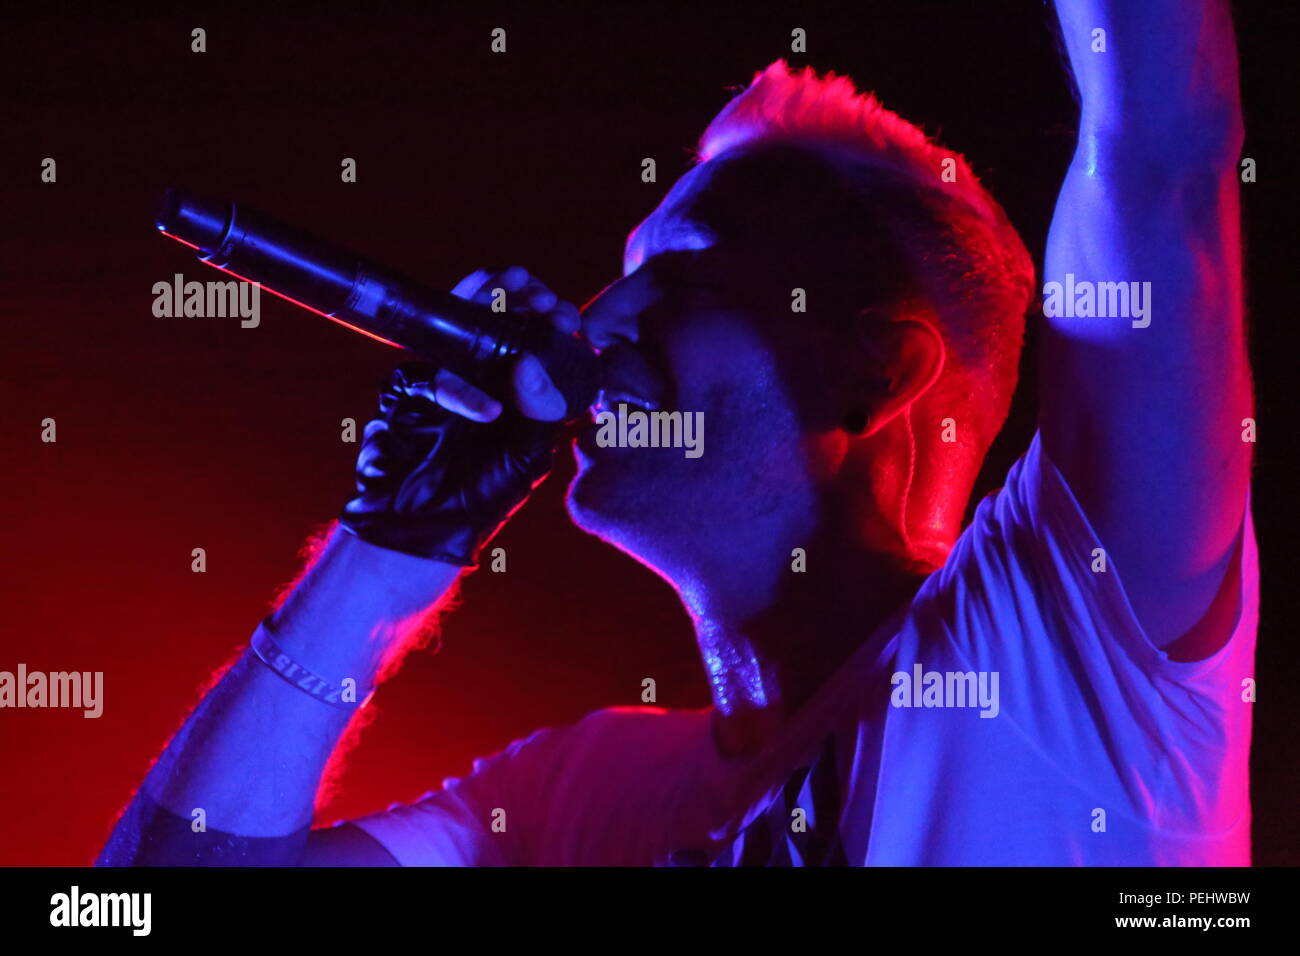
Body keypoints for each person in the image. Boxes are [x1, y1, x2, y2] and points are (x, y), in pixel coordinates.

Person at [98, 0, 1255, 866]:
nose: (598, 321)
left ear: (875, 366)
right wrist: (392, 542)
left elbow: (1159, 141)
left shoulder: (1072, 638)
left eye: (678, 277)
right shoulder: (586, 788)